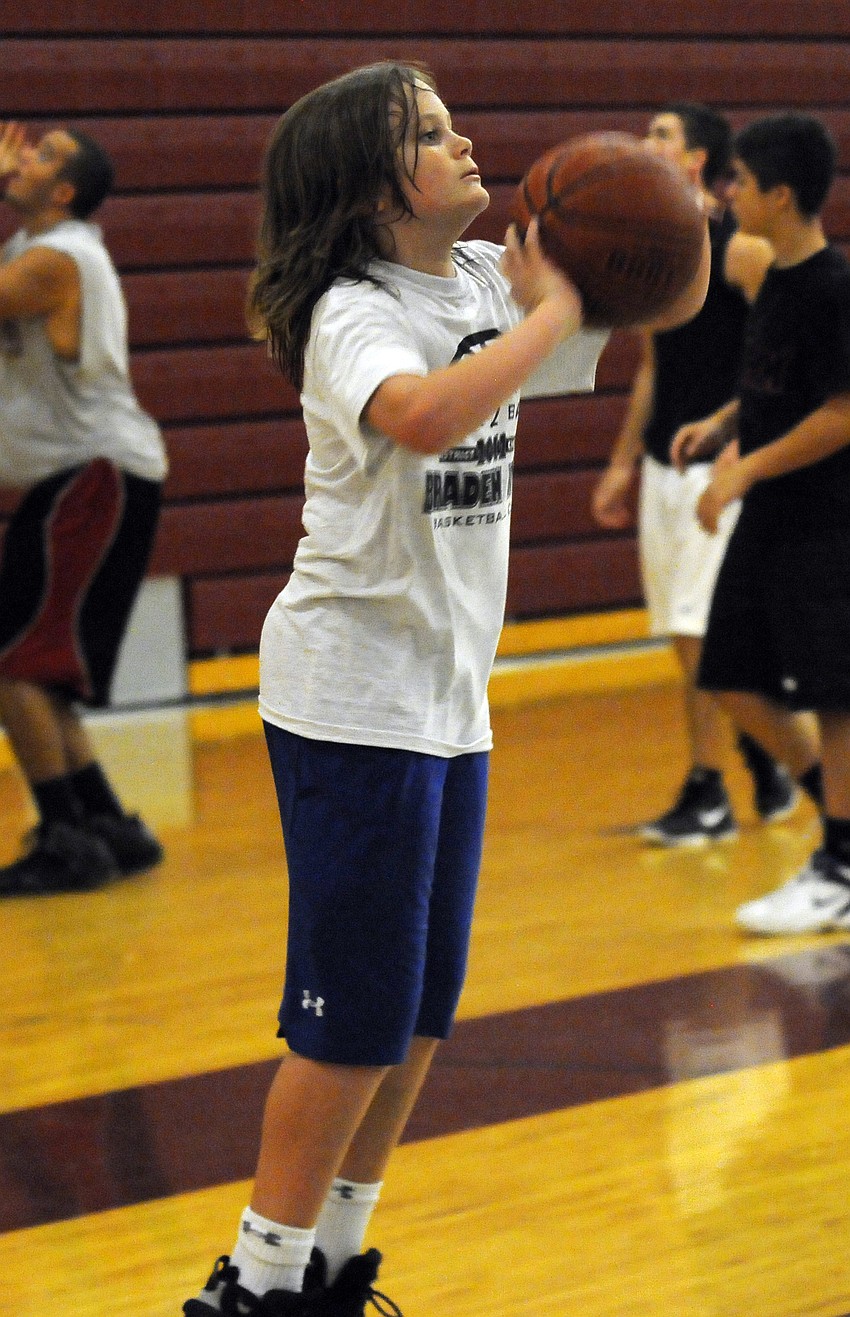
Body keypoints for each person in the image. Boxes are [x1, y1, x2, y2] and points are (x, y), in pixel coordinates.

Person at [182, 61, 709, 1317]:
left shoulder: (482, 278)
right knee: (348, 1020)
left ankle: (326, 1263)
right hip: (350, 695)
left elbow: (674, 304)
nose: (464, 141)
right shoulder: (352, 312)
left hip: (446, 698)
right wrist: (544, 314)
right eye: (426, 134)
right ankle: (253, 1285)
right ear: (370, 194)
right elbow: (421, 417)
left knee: (418, 1014)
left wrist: (661, 214)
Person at [592, 103, 807, 847]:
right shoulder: (654, 249)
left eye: (661, 134)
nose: (644, 142)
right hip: (663, 461)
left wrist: (738, 435)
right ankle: (762, 756)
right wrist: (622, 461)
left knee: (698, 634)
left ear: (697, 160)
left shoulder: (743, 248)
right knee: (682, 633)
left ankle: (709, 788)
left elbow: (784, 358)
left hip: (714, 464)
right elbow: (652, 366)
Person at [671, 112, 850, 935]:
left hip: (824, 522)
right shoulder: (773, 279)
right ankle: (840, 822)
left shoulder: (835, 288)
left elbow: (842, 412)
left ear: (780, 195)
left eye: (739, 180)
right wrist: (723, 424)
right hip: (770, 517)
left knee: (835, 695)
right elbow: (779, 386)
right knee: (731, 674)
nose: (727, 190)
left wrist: (744, 467)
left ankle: (841, 865)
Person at [0, 122, 167, 895]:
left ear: (63, 191)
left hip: (90, 476)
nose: (19, 153)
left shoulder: (56, 258)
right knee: (43, 665)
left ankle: (67, 838)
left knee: (15, 663)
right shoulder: (42, 250)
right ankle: (106, 823)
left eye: (40, 154)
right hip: (89, 476)